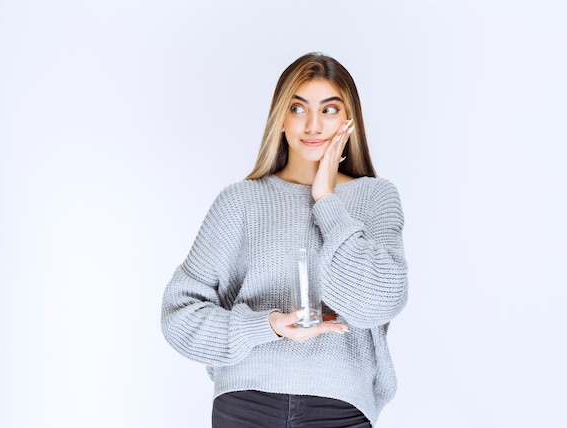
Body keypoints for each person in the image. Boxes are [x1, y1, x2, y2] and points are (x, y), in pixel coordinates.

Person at [161, 52, 408, 427]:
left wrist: (326, 199)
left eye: (328, 109)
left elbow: (377, 302)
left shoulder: (375, 198)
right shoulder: (240, 201)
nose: (312, 125)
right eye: (297, 108)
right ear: (280, 118)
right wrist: (268, 325)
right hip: (246, 403)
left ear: (349, 120)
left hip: (339, 405)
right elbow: (179, 315)